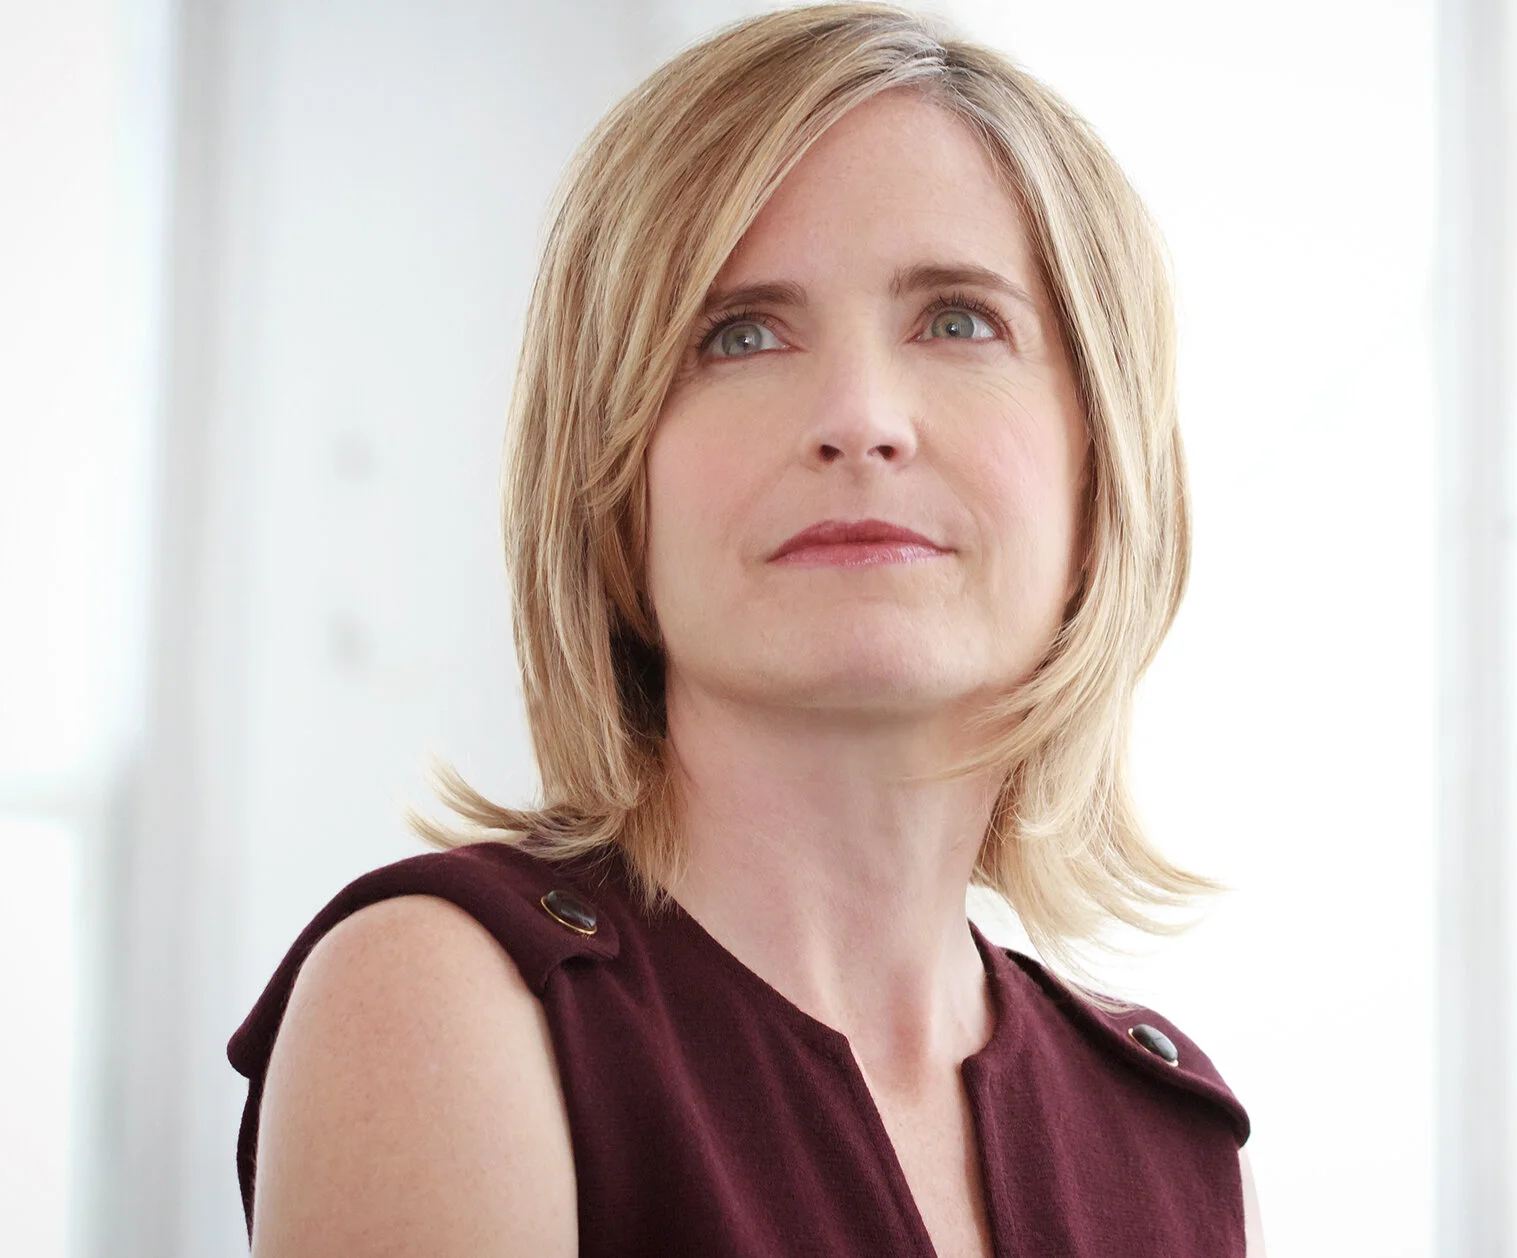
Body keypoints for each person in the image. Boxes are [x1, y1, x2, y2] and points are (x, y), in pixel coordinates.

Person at [227, 4, 1264, 1255]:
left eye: (957, 320)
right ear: (612, 488)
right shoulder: (451, 1000)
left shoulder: (1175, 1139)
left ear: (1101, 471)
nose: (860, 418)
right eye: (739, 334)